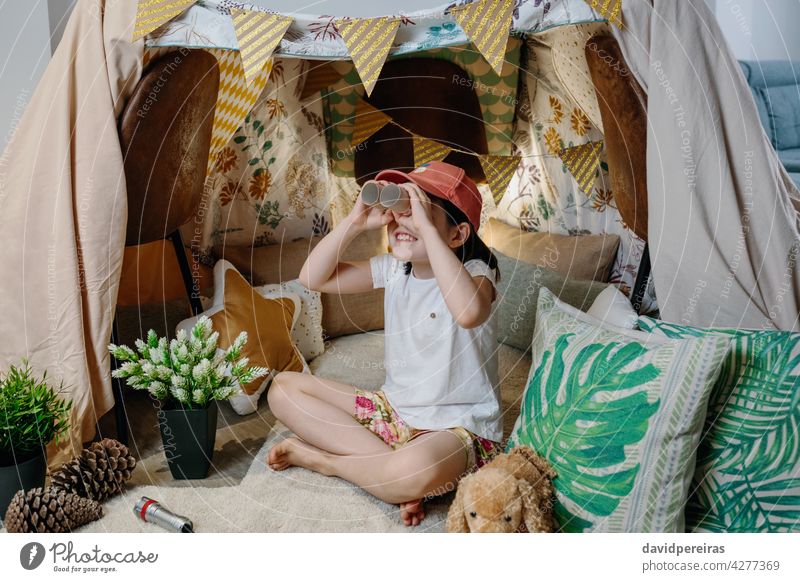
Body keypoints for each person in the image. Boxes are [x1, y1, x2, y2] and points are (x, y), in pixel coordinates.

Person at [267, 161, 502, 527]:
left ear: (457, 235)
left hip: (455, 429)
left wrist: (425, 226)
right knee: (282, 389)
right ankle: (389, 476)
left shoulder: (475, 274)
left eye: (420, 209)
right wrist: (355, 222)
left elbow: (469, 313)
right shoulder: (394, 270)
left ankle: (328, 462)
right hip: (394, 412)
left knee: (415, 467)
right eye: (398, 209)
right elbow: (311, 278)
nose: (401, 219)